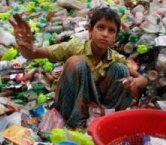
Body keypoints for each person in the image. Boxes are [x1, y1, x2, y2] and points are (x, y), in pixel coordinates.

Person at [9, 7, 148, 128]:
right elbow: (33, 53)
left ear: (115, 38)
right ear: (90, 31)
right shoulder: (75, 47)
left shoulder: (115, 57)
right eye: (100, 27)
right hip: (70, 105)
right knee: (76, 62)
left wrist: (135, 83)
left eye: (111, 31)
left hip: (95, 107)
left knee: (121, 69)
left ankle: (104, 119)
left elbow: (143, 79)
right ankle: (72, 123)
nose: (105, 34)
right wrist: (25, 44)